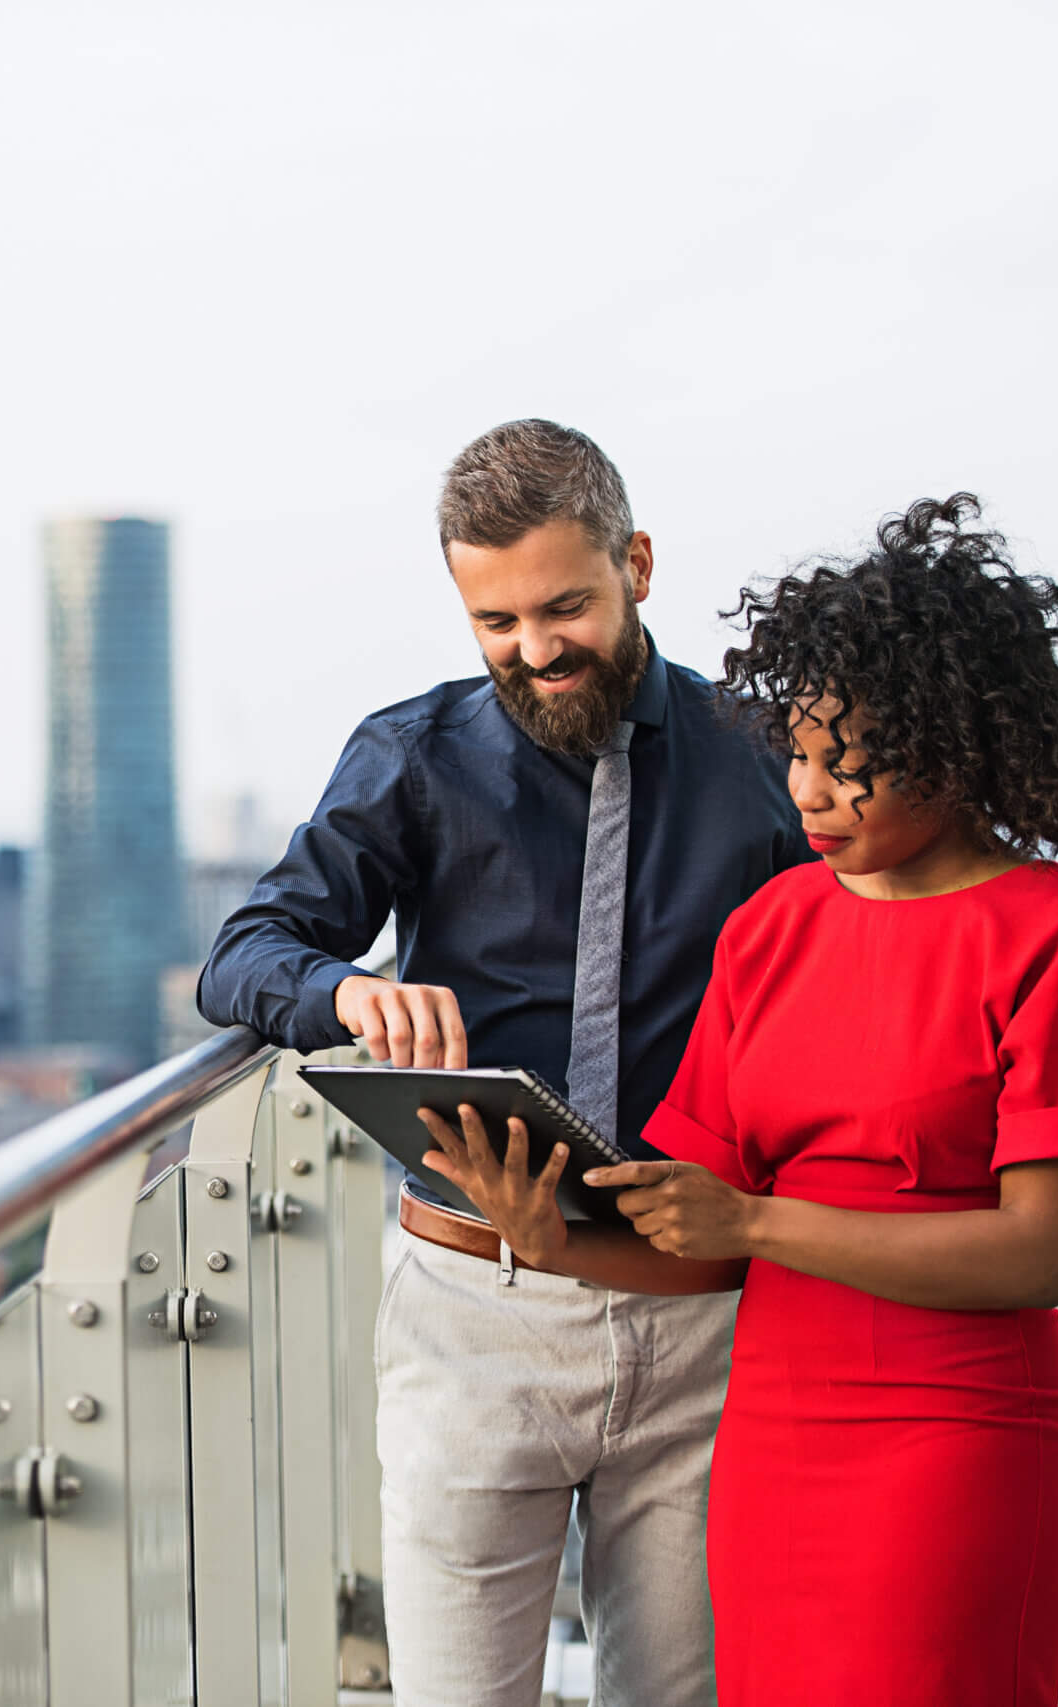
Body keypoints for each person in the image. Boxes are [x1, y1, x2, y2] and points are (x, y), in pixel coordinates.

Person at [418, 493, 1058, 1707]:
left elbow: (1038, 1255)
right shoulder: (773, 928)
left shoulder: (1057, 940)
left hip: (956, 1442)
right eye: (797, 756)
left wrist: (756, 1225)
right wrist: (551, 1240)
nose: (805, 793)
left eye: (844, 762)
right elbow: (695, 1235)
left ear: (951, 744)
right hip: (770, 1437)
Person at [197, 420, 808, 1707]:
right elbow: (245, 954)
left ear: (637, 562)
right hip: (476, 1310)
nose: (534, 650)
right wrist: (349, 994)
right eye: (495, 621)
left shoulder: (763, 755)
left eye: (565, 605)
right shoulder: (415, 755)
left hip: (705, 1311)